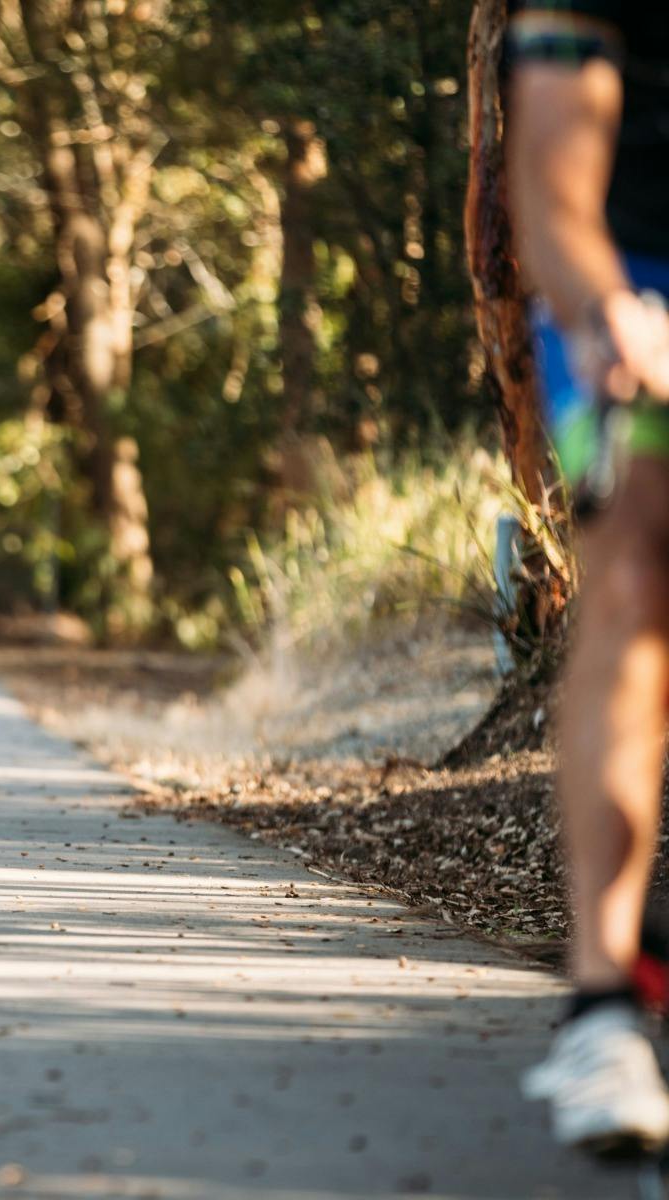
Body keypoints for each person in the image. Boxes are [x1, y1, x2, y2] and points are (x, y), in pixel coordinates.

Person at [507, 3, 669, 1154]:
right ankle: (600, 1002)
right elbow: (552, 191)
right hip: (628, 278)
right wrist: (610, 316)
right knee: (634, 569)